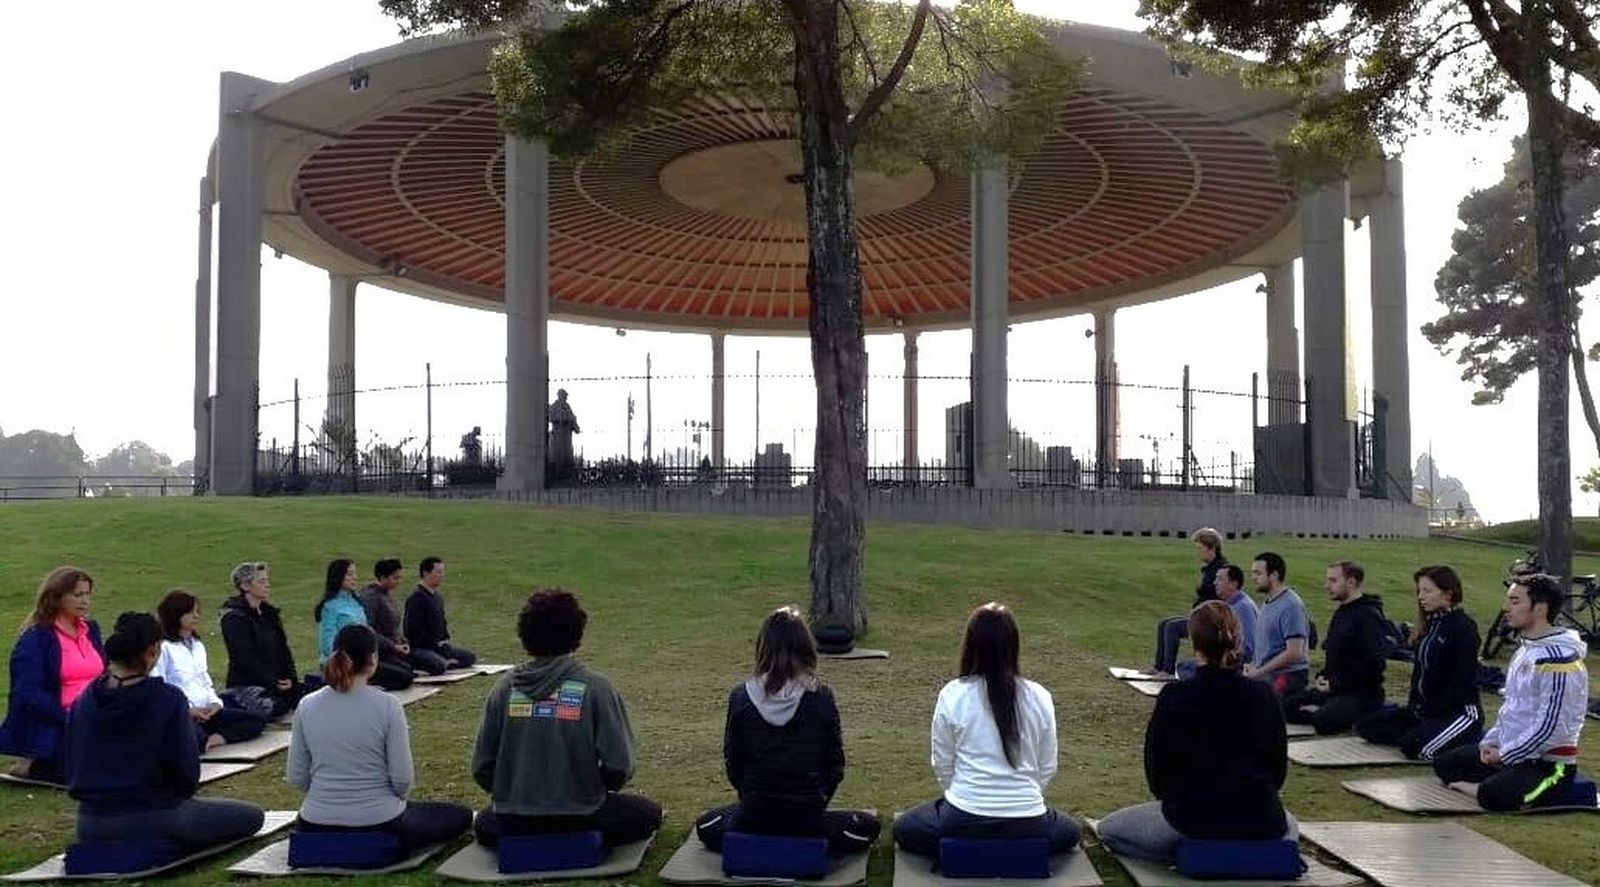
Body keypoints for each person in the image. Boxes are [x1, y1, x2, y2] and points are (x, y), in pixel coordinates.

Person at [1098, 600, 1295, 862]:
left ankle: (1191, 855)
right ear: (1237, 639)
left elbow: (1156, 773)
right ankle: (1236, 854)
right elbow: (1277, 770)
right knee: (1289, 824)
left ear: (1195, 641)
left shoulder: (1176, 696)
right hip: (1259, 816)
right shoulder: (1264, 694)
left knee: (1108, 829)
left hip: (1192, 817)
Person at [471, 589, 662, 848]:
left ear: (524, 633)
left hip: (515, 817)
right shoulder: (596, 687)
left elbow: (482, 765)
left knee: (483, 822)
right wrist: (590, 788)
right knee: (648, 813)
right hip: (582, 814)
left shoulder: (504, 689)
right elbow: (620, 764)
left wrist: (515, 794)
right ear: (577, 632)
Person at [893, 603, 1079, 859]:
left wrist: (963, 796)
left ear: (970, 645)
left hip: (965, 817)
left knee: (906, 827)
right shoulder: (1040, 696)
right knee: (1069, 832)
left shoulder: (953, 694)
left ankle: (975, 847)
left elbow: (943, 764)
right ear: (1014, 646)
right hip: (1026, 821)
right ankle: (1012, 850)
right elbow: (1047, 766)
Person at [66, 612, 265, 849]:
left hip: (90, 822)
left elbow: (72, 760)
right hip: (155, 814)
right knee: (252, 816)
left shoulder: (84, 699)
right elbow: (185, 774)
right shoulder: (167, 699)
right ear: (152, 653)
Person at [694, 606, 881, 855]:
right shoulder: (821, 697)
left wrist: (753, 798)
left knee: (708, 826)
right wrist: (816, 803)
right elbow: (834, 766)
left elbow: (734, 762)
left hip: (756, 813)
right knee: (866, 827)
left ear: (762, 648)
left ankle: (761, 837)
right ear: (807, 649)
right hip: (805, 817)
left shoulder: (741, 697)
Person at [288, 624, 472, 851]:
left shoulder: (307, 705)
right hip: (379, 820)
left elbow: (297, 775)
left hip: (315, 821)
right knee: (459, 816)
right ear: (373, 658)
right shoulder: (387, 705)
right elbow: (402, 779)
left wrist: (330, 798)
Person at [1433, 574, 1589, 811]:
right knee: (1444, 764)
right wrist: (1491, 743)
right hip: (1513, 753)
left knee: (1493, 796)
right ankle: (1496, 780)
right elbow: (1512, 708)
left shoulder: (1559, 660)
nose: (1506, 608)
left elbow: (1549, 727)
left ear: (1540, 608)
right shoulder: (1526, 649)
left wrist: (1504, 755)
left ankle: (1490, 789)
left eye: (1515, 601)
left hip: (1547, 763)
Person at [1357, 565, 1484, 760]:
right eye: (1419, 591)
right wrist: (1414, 707)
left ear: (1448, 593)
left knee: (1418, 750)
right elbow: (1419, 673)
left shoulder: (1463, 627)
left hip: (1458, 711)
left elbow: (1463, 680)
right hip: (1423, 711)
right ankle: (1425, 733)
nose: (1421, 597)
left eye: (1428, 591)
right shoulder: (1431, 626)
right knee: (1367, 727)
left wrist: (1435, 710)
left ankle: (1463, 737)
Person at [0, 567, 104, 784]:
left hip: (94, 716)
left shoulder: (91, 630)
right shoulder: (36, 638)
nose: (84, 601)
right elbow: (27, 694)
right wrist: (68, 718)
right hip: (57, 722)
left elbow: (104, 674)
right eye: (77, 595)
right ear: (57, 598)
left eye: (87, 594)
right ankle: (31, 764)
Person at [152, 590, 268, 752]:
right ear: (176, 615)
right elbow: (160, 685)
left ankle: (216, 738)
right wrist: (188, 710)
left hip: (208, 712)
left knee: (256, 720)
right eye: (190, 613)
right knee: (189, 738)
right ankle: (200, 738)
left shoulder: (198, 646)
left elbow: (205, 680)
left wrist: (215, 703)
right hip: (184, 714)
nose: (196, 617)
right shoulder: (164, 648)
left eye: (197, 612)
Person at [1281, 562, 1388, 734]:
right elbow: (1335, 657)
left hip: (1360, 693)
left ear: (1351, 582)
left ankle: (1355, 715)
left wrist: (1335, 684)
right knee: (1284, 706)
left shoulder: (1368, 616)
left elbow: (1373, 665)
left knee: (1323, 722)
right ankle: (1324, 710)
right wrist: (1322, 676)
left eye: (1333, 581)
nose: (1327, 586)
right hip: (1333, 687)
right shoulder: (1342, 613)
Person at [219, 561, 306, 718]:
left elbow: (283, 650)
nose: (268, 585)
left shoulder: (269, 614)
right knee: (274, 707)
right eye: (261, 581)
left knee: (310, 694)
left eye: (267, 580)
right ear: (245, 586)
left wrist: (290, 678)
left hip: (278, 681)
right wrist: (272, 682)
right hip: (250, 683)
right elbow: (244, 658)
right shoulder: (234, 618)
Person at [316, 559, 413, 692]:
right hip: (346, 662)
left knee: (407, 669)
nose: (354, 578)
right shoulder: (330, 606)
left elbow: (368, 630)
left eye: (354, 573)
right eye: (349, 574)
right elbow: (327, 645)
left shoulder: (356, 601)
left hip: (364, 657)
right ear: (338, 576)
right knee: (403, 678)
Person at [1148, 528, 1227, 677]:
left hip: (1210, 621)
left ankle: (1168, 671)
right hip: (1199, 616)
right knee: (1164, 623)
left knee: (1172, 627)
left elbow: (1218, 599)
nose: (1197, 552)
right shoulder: (1209, 569)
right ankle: (1159, 666)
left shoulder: (1220, 570)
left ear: (1212, 548)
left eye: (1200, 548)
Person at [1241, 552, 1311, 696]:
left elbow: (1294, 653)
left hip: (1287, 676)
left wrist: (1259, 672)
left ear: (1274, 575)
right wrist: (1253, 666)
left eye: (1258, 573)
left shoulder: (1291, 605)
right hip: (1266, 673)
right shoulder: (1268, 603)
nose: (1254, 578)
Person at [1173, 564, 1258, 679]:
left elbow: (1249, 649)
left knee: (1186, 669)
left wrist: (1223, 657)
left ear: (1233, 584)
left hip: (1233, 665)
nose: (1215, 582)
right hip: (1221, 659)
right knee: (1183, 666)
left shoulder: (1243, 607)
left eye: (1220, 579)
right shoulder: (1232, 604)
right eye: (1216, 578)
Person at [404, 557, 476, 675]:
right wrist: (433, 643)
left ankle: (445, 661)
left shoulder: (437, 597)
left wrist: (444, 640)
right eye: (438, 572)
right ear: (426, 573)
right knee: (438, 666)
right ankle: (435, 662)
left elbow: (442, 623)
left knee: (469, 657)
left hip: (439, 646)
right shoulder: (417, 598)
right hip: (421, 647)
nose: (442, 575)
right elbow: (412, 631)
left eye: (442, 572)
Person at [358, 559, 422, 675]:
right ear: (383, 578)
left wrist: (403, 641)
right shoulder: (370, 597)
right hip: (382, 650)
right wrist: (393, 646)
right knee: (406, 673)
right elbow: (369, 630)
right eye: (395, 578)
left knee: (427, 664)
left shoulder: (387, 594)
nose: (399, 581)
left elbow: (394, 625)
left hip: (396, 647)